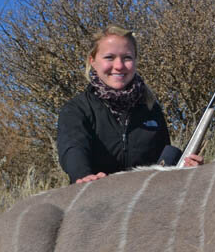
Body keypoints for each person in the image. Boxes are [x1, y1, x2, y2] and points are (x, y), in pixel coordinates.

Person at [56, 25, 202, 184]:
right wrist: (82, 175)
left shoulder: (151, 109)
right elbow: (72, 148)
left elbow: (163, 164)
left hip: (144, 202)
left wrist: (186, 167)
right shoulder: (76, 109)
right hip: (94, 196)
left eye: (127, 58)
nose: (119, 66)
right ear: (93, 61)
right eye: (109, 57)